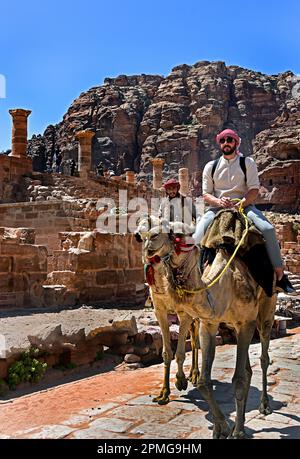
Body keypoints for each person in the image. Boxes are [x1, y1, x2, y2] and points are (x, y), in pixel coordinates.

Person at [192, 128, 295, 294]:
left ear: (236, 142)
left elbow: (254, 189)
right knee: (196, 236)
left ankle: (280, 276)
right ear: (220, 144)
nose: (226, 143)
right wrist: (219, 201)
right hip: (218, 208)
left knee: (268, 229)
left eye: (229, 140)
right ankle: (196, 277)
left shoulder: (247, 163)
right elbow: (206, 194)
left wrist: (242, 203)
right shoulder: (211, 166)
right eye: (223, 140)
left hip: (244, 206)